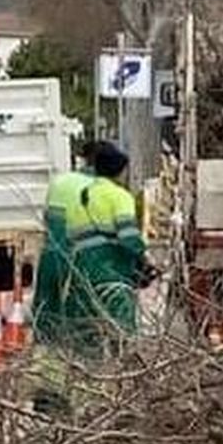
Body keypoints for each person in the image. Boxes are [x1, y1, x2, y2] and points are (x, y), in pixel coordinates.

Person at [66, 143, 149, 345]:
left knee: (86, 334)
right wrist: (145, 258)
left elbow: (70, 236)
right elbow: (128, 236)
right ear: (120, 171)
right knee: (121, 334)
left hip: (82, 272)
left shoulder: (79, 198)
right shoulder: (120, 196)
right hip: (112, 271)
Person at [32, 140, 99, 345]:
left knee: (45, 306)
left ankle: (43, 348)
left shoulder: (59, 182)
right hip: (80, 258)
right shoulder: (99, 187)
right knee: (81, 310)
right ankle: (79, 351)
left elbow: (46, 217)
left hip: (51, 255)